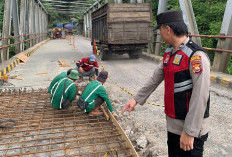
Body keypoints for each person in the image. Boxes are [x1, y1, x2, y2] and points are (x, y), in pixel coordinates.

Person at [122, 10, 210, 157]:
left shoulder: (196, 56)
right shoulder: (170, 53)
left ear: (168, 29)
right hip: (174, 128)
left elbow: (201, 96)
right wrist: (136, 99)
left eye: (160, 30)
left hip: (190, 130)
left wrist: (189, 132)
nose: (160, 34)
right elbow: (154, 79)